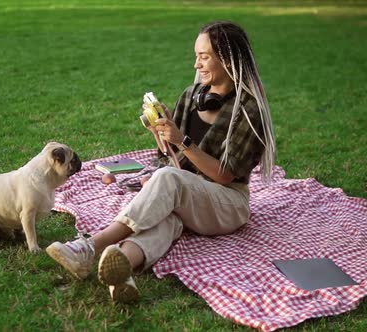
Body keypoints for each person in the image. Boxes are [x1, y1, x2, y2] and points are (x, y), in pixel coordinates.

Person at [46, 21, 276, 303]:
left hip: (228, 203)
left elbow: (225, 176)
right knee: (165, 218)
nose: (196, 65)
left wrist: (182, 141)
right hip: (190, 197)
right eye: (196, 56)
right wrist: (163, 137)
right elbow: (171, 160)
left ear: (228, 60)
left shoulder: (249, 109)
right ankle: (123, 272)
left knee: (168, 180)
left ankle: (90, 246)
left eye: (204, 57)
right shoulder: (192, 97)